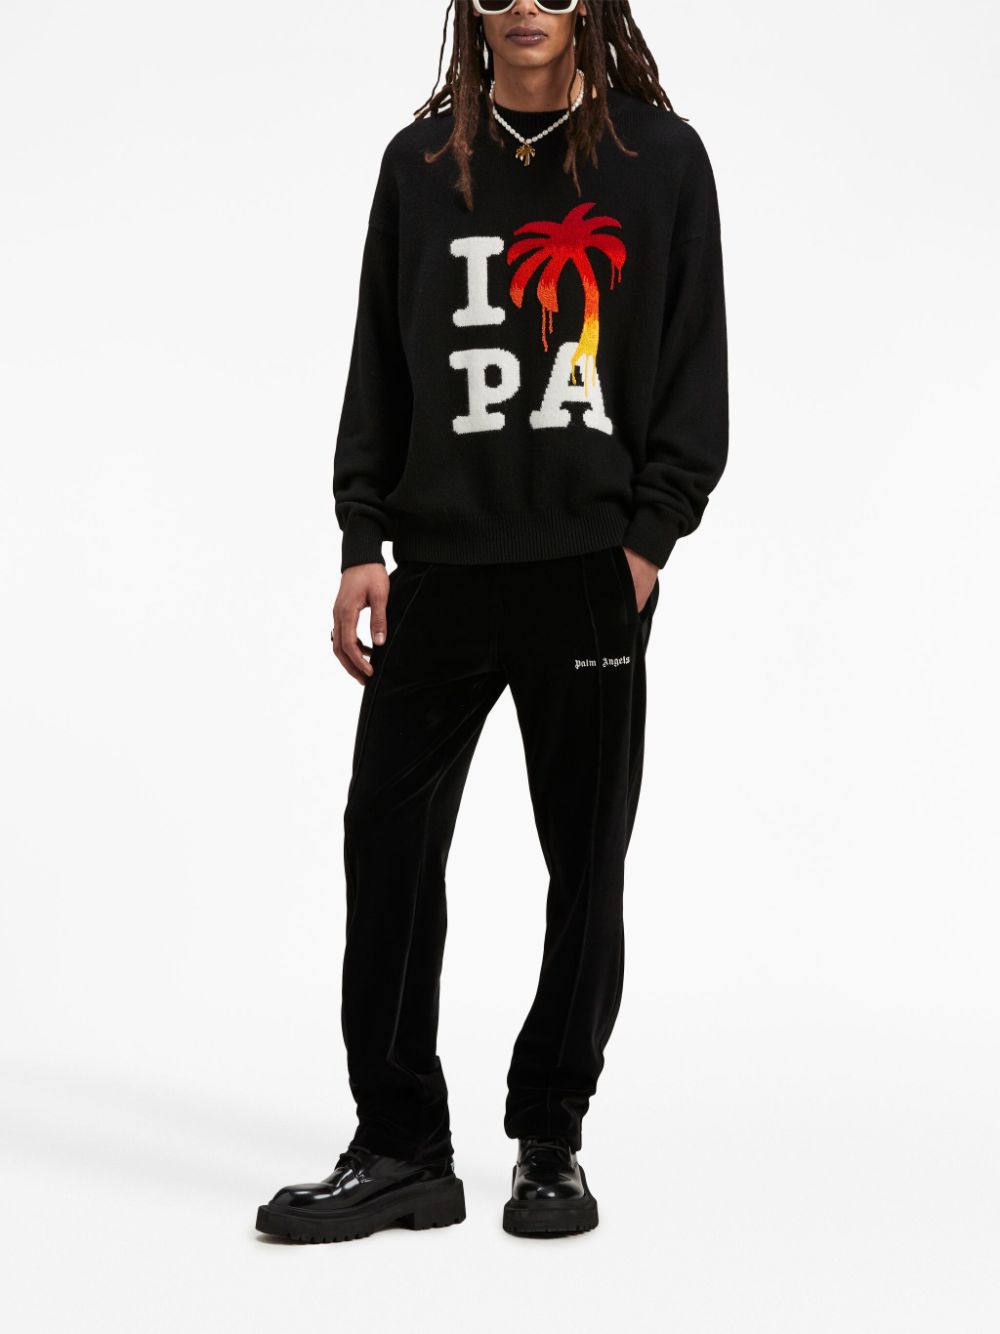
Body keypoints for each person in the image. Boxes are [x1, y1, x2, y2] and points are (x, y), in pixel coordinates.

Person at [255, 0, 728, 1244]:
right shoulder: (420, 163)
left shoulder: (659, 159)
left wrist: (646, 542)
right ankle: (401, 1144)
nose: (526, 2)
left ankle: (549, 1138)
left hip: (588, 572)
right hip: (441, 570)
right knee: (386, 844)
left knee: (585, 860)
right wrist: (361, 535)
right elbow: (379, 357)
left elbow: (694, 363)